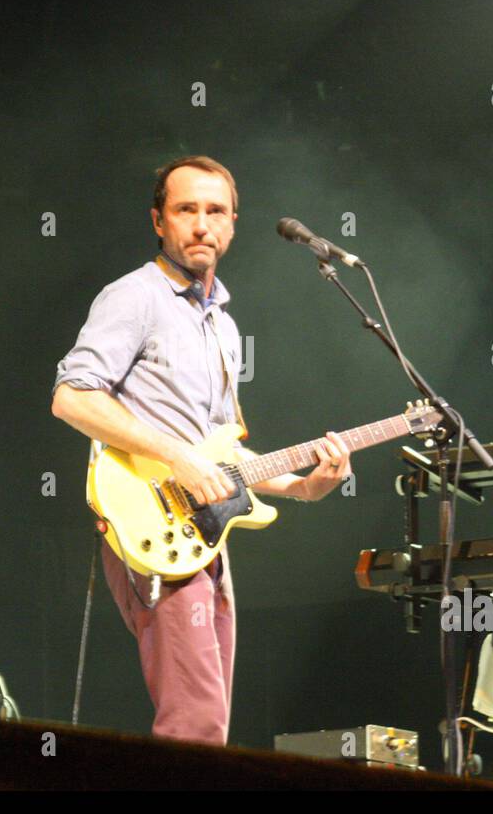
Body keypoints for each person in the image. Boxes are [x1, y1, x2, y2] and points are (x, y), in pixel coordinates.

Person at [51, 155, 351, 746]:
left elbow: (220, 454)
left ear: (234, 224)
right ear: (159, 221)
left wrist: (302, 487)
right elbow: (71, 398)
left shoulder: (223, 326)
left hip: (206, 529)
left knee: (207, 723)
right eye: (186, 209)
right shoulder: (134, 297)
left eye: (215, 211)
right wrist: (178, 456)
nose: (201, 224)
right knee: (195, 722)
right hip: (153, 523)